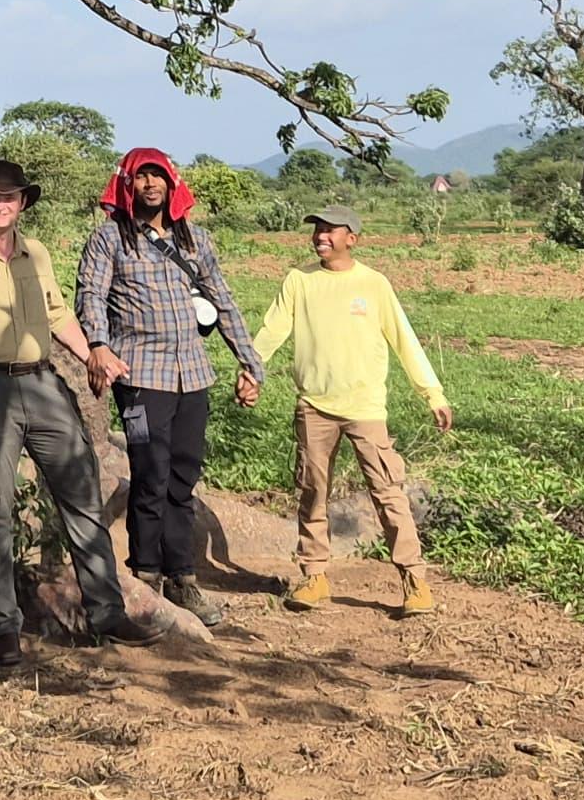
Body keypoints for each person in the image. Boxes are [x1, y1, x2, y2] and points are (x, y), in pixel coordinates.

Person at [0, 156, 139, 669]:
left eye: (9, 196)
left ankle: (107, 613)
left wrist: (93, 353)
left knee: (81, 488)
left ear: (23, 203)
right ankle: (3, 628)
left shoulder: (35, 253)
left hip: (41, 381)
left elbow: (58, 314)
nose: (0, 203)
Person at [74, 145, 262, 624]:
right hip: (139, 376)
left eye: (159, 176)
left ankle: (184, 580)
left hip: (192, 375)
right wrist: (98, 345)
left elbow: (224, 303)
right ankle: (147, 578)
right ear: (127, 185)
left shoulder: (195, 241)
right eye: (142, 177)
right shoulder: (109, 240)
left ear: (172, 185)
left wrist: (250, 362)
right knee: (150, 473)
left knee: (183, 475)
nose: (151, 184)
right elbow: (91, 296)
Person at [254, 207, 449, 617]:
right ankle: (314, 576)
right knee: (312, 491)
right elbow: (273, 328)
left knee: (388, 493)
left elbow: (404, 339)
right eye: (317, 230)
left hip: (364, 408)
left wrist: (432, 393)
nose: (320, 236)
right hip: (314, 406)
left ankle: (415, 581)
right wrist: (251, 369)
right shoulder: (299, 280)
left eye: (329, 230)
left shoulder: (374, 285)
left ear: (352, 238)